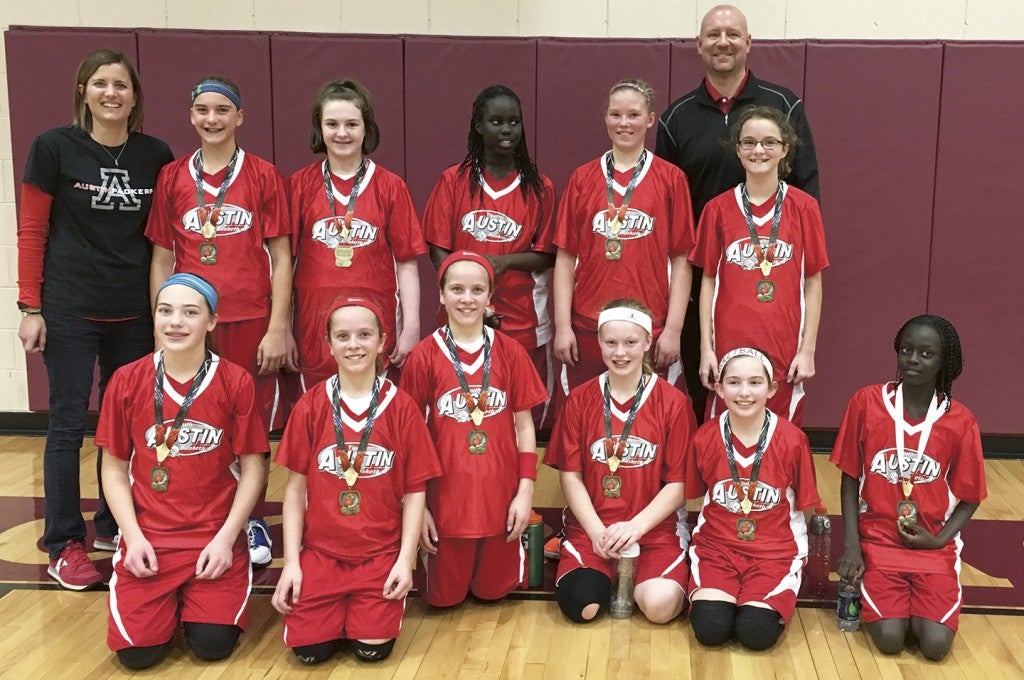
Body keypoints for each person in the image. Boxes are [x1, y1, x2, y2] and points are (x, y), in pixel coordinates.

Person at [16, 49, 174, 589]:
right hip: (68, 307)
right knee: (66, 423)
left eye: (122, 85)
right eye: (101, 84)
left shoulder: (156, 154)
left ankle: (113, 524)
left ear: (135, 96)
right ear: (84, 91)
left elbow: (164, 240)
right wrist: (30, 307)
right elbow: (32, 230)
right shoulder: (53, 147)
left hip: (134, 310)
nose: (112, 93)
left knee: (126, 425)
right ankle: (64, 541)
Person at [147, 75, 293, 567]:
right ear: (191, 116)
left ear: (239, 117)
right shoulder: (170, 177)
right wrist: (160, 324)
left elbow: (282, 256)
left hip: (249, 318)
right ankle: (203, 512)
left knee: (246, 424)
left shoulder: (263, 175)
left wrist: (278, 326)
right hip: (189, 323)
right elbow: (163, 258)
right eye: (203, 110)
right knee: (197, 418)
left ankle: (250, 518)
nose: (213, 119)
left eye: (222, 110)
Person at [95, 274, 268, 670]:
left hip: (213, 539)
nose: (176, 322)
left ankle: (202, 597)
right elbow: (115, 469)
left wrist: (227, 539)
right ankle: (165, 605)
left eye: (190, 313)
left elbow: (254, 469)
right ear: (153, 317)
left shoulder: (235, 381)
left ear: (211, 322)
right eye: (165, 311)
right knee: (137, 656)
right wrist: (133, 537)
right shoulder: (126, 380)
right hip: (150, 541)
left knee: (212, 645)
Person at [657, 4, 820, 420]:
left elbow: (806, 185)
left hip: (771, 273)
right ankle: (717, 473)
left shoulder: (783, 104)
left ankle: (768, 473)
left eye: (733, 34)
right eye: (713, 34)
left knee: (771, 389)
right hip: (704, 273)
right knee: (709, 381)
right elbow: (668, 201)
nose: (723, 42)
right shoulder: (677, 116)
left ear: (748, 43)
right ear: (699, 45)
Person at [272, 295, 441, 664]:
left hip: (379, 554)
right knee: (310, 652)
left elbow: (415, 491)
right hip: (322, 552)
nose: (354, 345)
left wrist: (404, 560)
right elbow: (295, 490)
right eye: (343, 336)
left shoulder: (402, 407)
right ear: (328, 345)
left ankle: (364, 611)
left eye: (364, 335)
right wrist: (292, 564)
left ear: (382, 342)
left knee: (371, 650)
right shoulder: (311, 406)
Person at [831, 315, 985, 661]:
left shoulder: (961, 420)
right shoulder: (866, 402)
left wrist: (940, 539)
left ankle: (923, 605)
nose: (913, 359)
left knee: (934, 645)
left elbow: (971, 498)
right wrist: (852, 545)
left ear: (945, 362)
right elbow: (850, 476)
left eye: (927, 353)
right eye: (906, 350)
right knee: (889, 639)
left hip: (932, 547)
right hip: (879, 541)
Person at [402, 251, 547, 607]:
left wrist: (525, 492)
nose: (467, 299)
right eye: (457, 289)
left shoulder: (511, 352)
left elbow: (525, 428)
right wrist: (418, 508)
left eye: (477, 290)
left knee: (493, 592)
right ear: (440, 294)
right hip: (446, 503)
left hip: (500, 500)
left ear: (489, 296)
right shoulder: (423, 356)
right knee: (442, 599)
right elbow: (407, 440)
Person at [546, 299, 696, 624]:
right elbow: (570, 476)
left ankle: (635, 578)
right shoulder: (579, 400)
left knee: (659, 608)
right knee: (582, 605)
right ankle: (603, 573)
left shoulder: (674, 403)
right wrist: (599, 532)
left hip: (653, 530)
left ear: (647, 342)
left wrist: (635, 527)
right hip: (593, 528)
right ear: (598, 342)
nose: (620, 353)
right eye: (611, 342)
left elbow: (679, 483)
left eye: (630, 342)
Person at [423, 84, 556, 430]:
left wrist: (504, 262)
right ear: (478, 126)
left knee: (518, 414)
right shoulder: (453, 180)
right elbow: (437, 244)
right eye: (496, 121)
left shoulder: (540, 187)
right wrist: (462, 287)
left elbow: (547, 254)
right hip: (463, 316)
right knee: (467, 413)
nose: (506, 130)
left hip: (523, 319)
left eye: (514, 121)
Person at [553, 79, 694, 396]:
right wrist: (563, 326)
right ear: (605, 117)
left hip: (650, 326)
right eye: (616, 114)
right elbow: (565, 258)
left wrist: (673, 329)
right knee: (586, 417)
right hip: (589, 325)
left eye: (633, 115)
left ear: (650, 119)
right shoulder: (582, 178)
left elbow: (681, 259)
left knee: (648, 422)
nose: (624, 123)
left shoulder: (672, 180)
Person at [690, 105, 827, 426]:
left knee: (781, 436)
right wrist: (706, 349)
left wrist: (808, 350)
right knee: (724, 433)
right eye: (749, 142)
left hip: (783, 343)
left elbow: (813, 283)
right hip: (729, 343)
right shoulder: (717, 209)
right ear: (737, 150)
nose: (759, 150)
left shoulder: (805, 208)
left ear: (784, 149)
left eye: (769, 142)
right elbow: (708, 282)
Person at [290, 79, 425, 389]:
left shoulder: (391, 187)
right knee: (320, 415)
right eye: (332, 124)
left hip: (375, 322)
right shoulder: (298, 186)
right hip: (313, 322)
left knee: (371, 413)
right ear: (319, 128)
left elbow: (406, 263)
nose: (342, 133)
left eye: (352, 123)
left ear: (367, 129)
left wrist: (412, 326)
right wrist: (283, 327)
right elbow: (286, 261)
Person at [685, 347, 820, 650]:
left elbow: (806, 503)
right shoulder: (704, 437)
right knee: (710, 628)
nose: (744, 392)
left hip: (775, 553)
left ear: (772, 389)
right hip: (717, 549)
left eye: (755, 382)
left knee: (755, 632)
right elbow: (695, 496)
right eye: (733, 382)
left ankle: (769, 596)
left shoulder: (793, 440)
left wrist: (805, 553)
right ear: (719, 388)